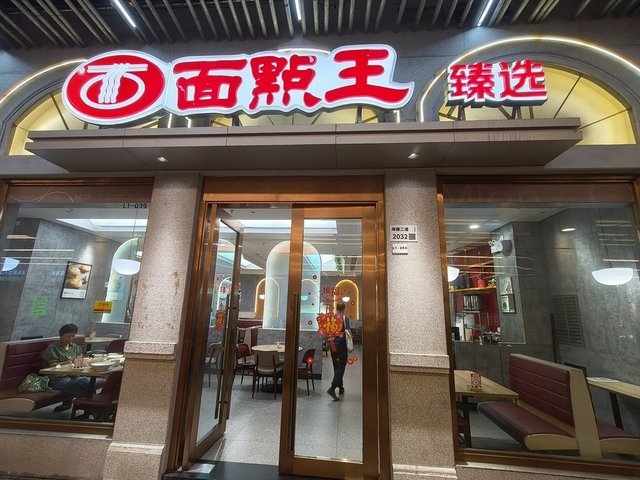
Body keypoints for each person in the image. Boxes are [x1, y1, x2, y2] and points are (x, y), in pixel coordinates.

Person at [42, 323, 90, 412]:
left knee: (87, 382)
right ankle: (90, 407)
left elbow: (80, 357)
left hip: (73, 375)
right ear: (61, 335)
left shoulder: (74, 346)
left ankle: (90, 406)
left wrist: (81, 359)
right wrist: (69, 361)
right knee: (78, 386)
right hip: (57, 378)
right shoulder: (53, 348)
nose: (70, 338)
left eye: (73, 336)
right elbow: (52, 365)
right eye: (68, 336)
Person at [326, 302, 351, 401]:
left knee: (336, 366)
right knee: (341, 365)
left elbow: (328, 332)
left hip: (333, 345)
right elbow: (348, 331)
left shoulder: (331, 318)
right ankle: (332, 388)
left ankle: (340, 387)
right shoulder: (345, 319)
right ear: (344, 308)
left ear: (336, 308)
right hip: (342, 345)